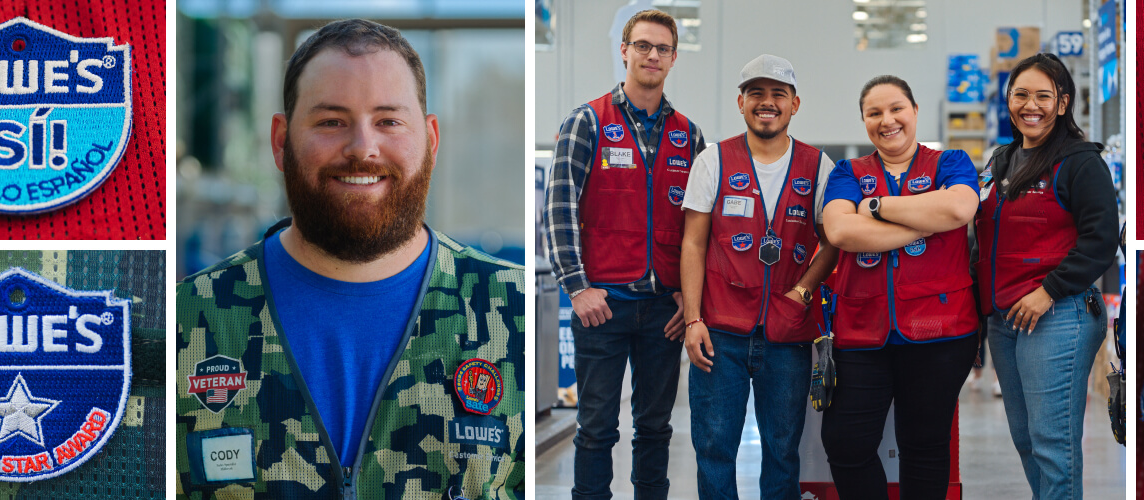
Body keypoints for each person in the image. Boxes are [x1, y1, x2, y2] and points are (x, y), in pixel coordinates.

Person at [175, 19, 523, 499]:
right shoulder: (188, 319)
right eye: (331, 121)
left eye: (388, 121)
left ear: (431, 140)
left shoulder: (514, 310)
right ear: (281, 141)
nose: (363, 148)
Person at [544, 9, 703, 500]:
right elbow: (558, 207)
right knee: (595, 430)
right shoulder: (587, 121)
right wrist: (577, 286)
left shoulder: (690, 136)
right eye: (643, 46)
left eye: (662, 49)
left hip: (663, 311)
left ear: (674, 58)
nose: (651, 55)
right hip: (603, 308)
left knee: (655, 430)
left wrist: (688, 298)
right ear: (625, 51)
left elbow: (699, 228)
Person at [678, 54, 838, 500]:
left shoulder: (818, 166)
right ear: (741, 102)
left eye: (777, 95)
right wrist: (693, 319)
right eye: (756, 94)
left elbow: (833, 242)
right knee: (713, 449)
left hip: (788, 337)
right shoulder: (713, 161)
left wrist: (802, 292)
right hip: (719, 336)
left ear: (795, 104)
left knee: (782, 451)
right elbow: (692, 243)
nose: (767, 103)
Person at [818, 75, 980, 499]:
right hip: (860, 332)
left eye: (896, 109)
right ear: (864, 121)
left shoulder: (951, 162)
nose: (887, 120)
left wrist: (874, 209)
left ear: (915, 112)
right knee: (845, 444)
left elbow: (959, 206)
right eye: (874, 113)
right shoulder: (847, 171)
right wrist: (925, 225)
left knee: (924, 446)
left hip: (941, 332)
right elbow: (840, 231)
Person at [974, 53, 1119, 499]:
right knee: (1027, 440)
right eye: (1021, 94)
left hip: (1057, 316)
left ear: (1062, 103)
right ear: (1008, 100)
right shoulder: (1003, 161)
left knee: (1053, 445)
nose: (1029, 105)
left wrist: (1049, 292)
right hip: (1005, 319)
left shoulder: (1079, 162)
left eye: (1042, 95)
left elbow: (1101, 239)